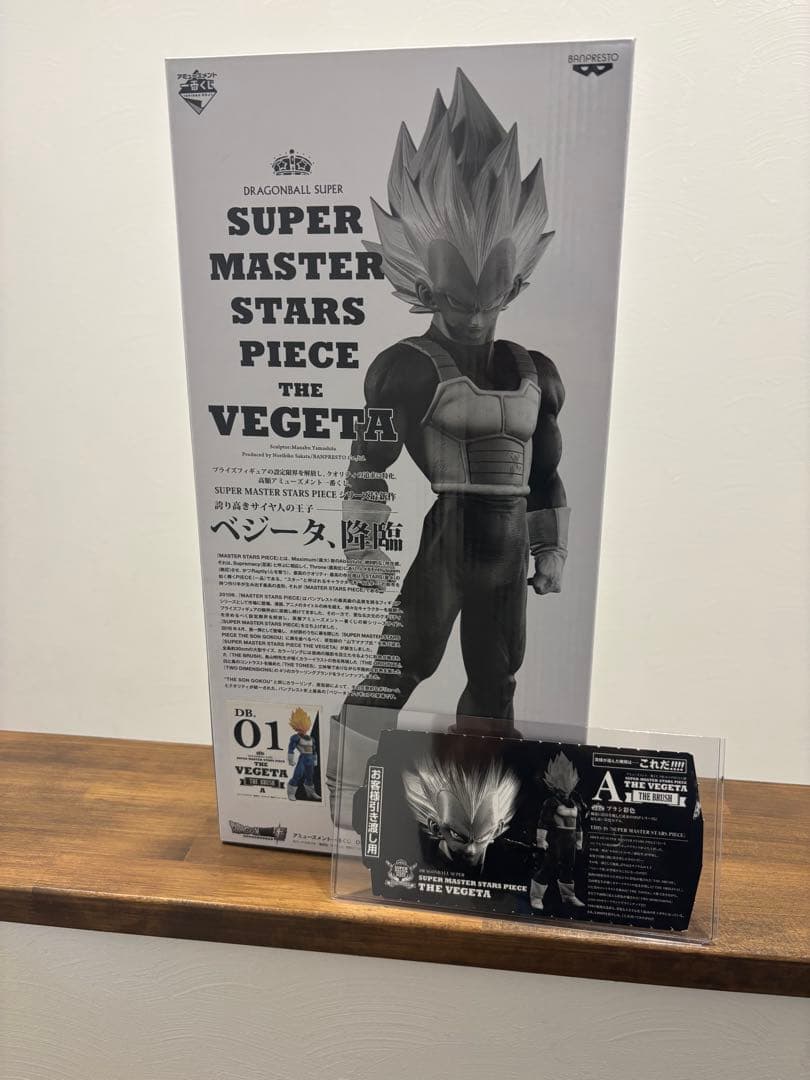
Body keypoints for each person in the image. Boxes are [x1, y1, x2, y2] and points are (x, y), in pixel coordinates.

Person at [328, 70, 568, 820]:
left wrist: (551, 549)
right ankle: (340, 798)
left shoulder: (536, 371)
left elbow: (546, 472)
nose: (472, 315)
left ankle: (477, 810)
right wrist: (363, 546)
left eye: (488, 298)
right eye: (455, 299)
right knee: (400, 668)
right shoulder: (403, 367)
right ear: (423, 286)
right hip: (449, 539)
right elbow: (366, 463)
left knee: (496, 684)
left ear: (514, 284)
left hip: (504, 550)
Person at [530, 751, 585, 911]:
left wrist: (579, 840)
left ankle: (568, 897)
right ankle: (536, 897)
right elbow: (544, 822)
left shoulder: (575, 802)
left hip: (570, 841)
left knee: (568, 868)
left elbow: (578, 824)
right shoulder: (551, 802)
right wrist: (541, 840)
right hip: (556, 839)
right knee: (548, 867)